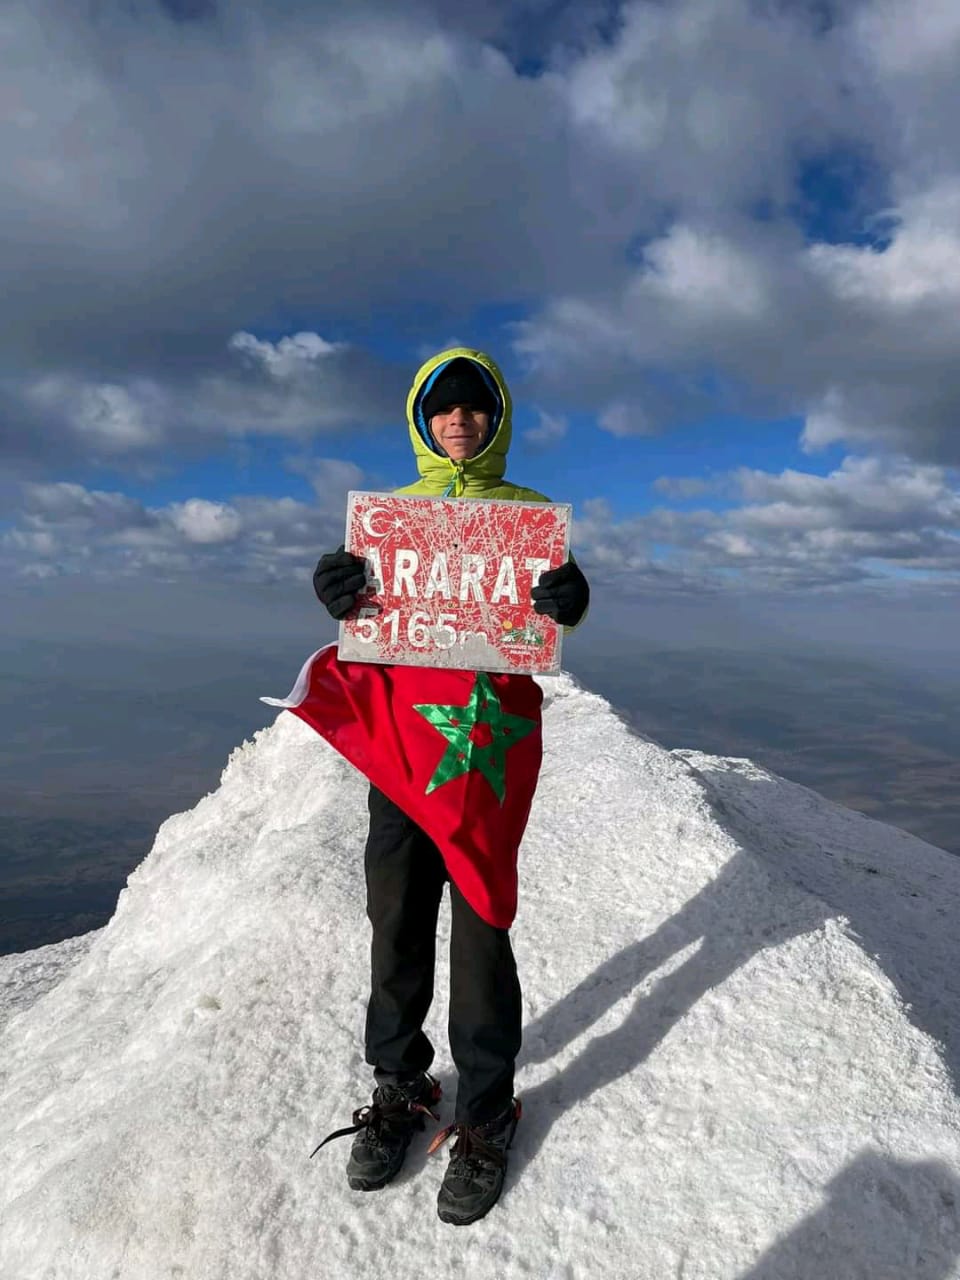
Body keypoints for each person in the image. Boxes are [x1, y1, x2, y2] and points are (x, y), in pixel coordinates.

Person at [311, 347, 589, 1225]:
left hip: (487, 756)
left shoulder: (531, 516)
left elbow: (544, 615)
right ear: (421, 419)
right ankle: (400, 1083)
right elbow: (374, 622)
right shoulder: (393, 518)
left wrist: (569, 600)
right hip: (402, 752)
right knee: (394, 916)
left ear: (496, 419)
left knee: (481, 924)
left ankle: (487, 1108)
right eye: (444, 406)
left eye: (474, 406)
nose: (459, 418)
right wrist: (339, 591)